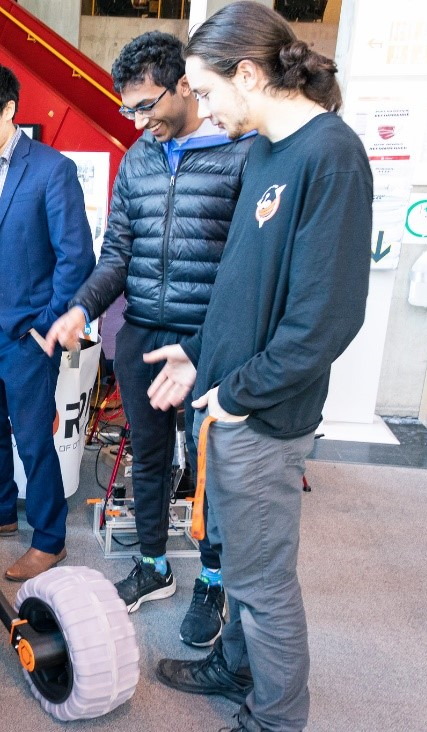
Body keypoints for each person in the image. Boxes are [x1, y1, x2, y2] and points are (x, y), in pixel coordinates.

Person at [144, 4, 372, 730]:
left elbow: (325, 319)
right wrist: (197, 354)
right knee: (239, 566)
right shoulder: (267, 151)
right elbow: (244, 284)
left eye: (207, 91)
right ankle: (233, 667)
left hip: (264, 415)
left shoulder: (329, 155)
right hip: (231, 397)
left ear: (247, 73)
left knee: (264, 582)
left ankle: (274, 718)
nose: (203, 109)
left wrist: (237, 396)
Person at [43, 31, 254, 646]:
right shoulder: (139, 157)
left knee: (211, 466)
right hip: (142, 334)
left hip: (209, 340)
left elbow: (247, 267)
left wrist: (218, 341)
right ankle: (155, 565)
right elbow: (118, 254)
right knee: (150, 455)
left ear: (186, 85)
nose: (138, 121)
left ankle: (213, 577)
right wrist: (83, 308)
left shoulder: (242, 154)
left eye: (146, 106)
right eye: (129, 109)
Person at [0, 59, 95, 581]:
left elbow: (77, 258)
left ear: (9, 110)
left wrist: (47, 323)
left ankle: (50, 539)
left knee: (32, 439)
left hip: (27, 331)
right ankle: (0, 515)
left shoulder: (52, 170)